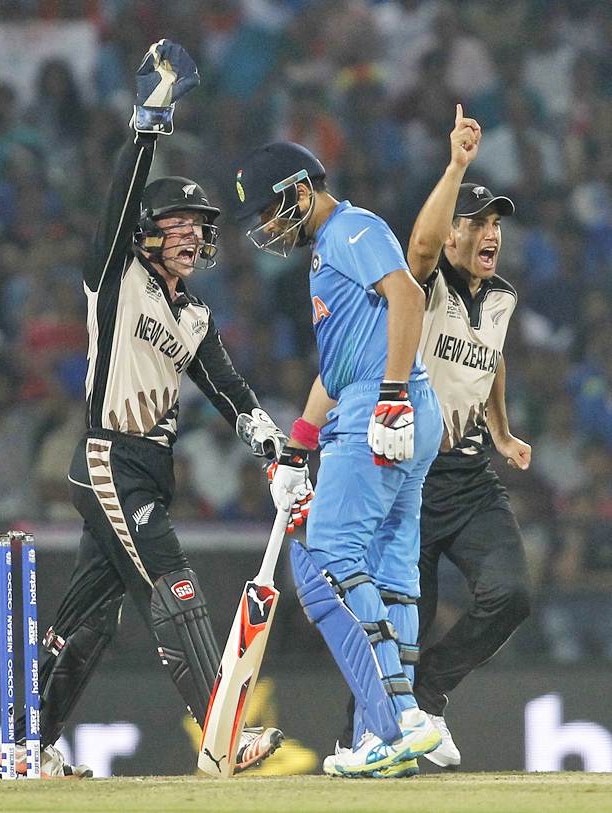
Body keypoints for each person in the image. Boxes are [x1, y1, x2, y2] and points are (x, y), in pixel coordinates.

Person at [1, 39, 285, 779]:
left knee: (89, 618)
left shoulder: (191, 315)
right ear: (149, 232)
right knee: (173, 579)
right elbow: (119, 201)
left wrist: (270, 443)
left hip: (146, 471)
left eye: (201, 224)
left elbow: (230, 390)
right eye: (181, 221)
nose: (195, 233)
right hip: (107, 457)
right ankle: (221, 733)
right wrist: (147, 124)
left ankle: (21, 743)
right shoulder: (115, 276)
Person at [233, 140, 443, 778]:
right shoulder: (328, 251)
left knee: (324, 558)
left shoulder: (351, 229)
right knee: (389, 571)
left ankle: (399, 721)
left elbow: (410, 297)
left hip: (379, 412)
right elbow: (336, 365)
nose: (269, 230)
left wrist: (388, 397)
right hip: (394, 409)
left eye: (272, 212)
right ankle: (390, 738)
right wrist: (299, 444)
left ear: (302, 191)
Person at [339, 105, 531, 768]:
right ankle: (360, 735)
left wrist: (503, 432)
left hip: (472, 478)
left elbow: (494, 355)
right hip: (410, 478)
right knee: (392, 621)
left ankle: (427, 692)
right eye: (477, 221)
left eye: (496, 222)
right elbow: (418, 247)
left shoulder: (501, 297)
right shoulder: (424, 285)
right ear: (453, 233)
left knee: (512, 593)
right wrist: (456, 166)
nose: (490, 233)